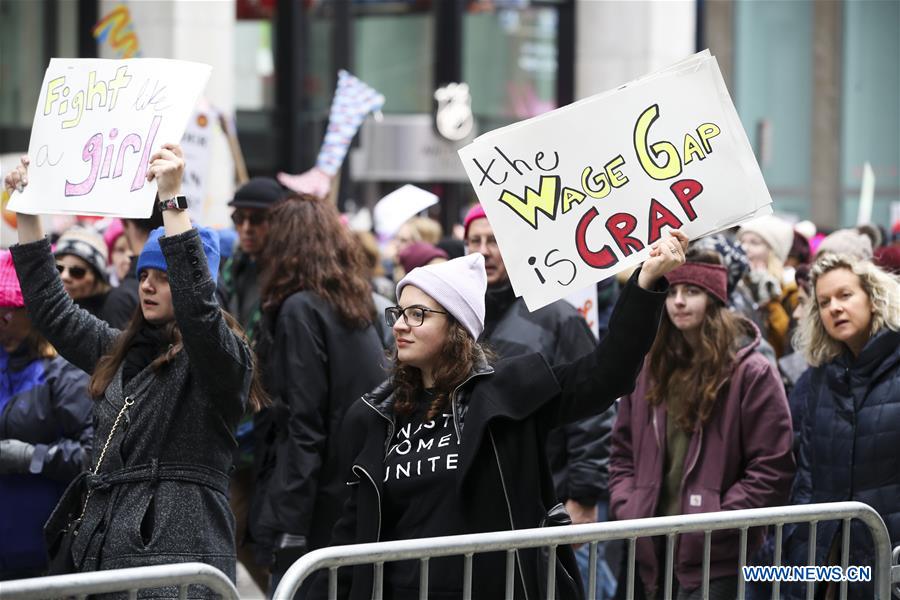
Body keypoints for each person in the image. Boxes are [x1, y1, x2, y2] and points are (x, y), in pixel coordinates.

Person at [313, 229, 688, 600]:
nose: (398, 325)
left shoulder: (509, 393)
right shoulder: (377, 416)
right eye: (398, 313)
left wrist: (645, 282)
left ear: (457, 327)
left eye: (417, 315)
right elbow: (352, 533)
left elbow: (607, 374)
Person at [5, 147, 265, 595]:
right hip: (105, 552)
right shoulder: (118, 349)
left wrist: (172, 201)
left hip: (178, 560)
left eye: (163, 277)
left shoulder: (223, 357)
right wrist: (28, 207)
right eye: (145, 274)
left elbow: (200, 314)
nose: (147, 284)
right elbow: (50, 308)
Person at [609, 257, 795, 600]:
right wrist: (628, 505)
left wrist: (718, 519)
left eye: (691, 291)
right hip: (651, 543)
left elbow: (772, 466)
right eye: (672, 292)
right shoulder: (650, 366)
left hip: (718, 555)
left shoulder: (752, 372)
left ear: (714, 299)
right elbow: (622, 451)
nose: (678, 301)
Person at [464, 204, 619, 598]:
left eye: (494, 241)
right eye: (475, 241)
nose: (484, 251)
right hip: (476, 503)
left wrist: (584, 497)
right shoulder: (457, 321)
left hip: (547, 502)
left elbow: (593, 415)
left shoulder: (557, 318)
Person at [249, 193, 387, 592]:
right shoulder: (355, 302)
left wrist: (289, 527)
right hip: (350, 494)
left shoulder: (300, 309)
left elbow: (303, 423)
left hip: (315, 510)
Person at [784, 254, 900, 600]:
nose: (834, 308)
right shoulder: (821, 377)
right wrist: (796, 546)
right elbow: (806, 476)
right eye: (823, 302)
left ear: (873, 297)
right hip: (829, 561)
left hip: (889, 559)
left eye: (845, 295)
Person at [0, 250, 93, 580]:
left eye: (11, 311)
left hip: (44, 552)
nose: (3, 321)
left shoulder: (63, 373)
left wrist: (31, 457)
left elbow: (92, 456)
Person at [220, 176, 289, 595]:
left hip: (274, 429)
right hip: (237, 427)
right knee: (237, 530)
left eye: (256, 219)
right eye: (239, 218)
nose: (245, 227)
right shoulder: (233, 270)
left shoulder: (289, 277)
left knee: (262, 536)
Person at [737, 215, 798, 357]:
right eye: (742, 241)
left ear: (773, 251)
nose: (745, 248)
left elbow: (788, 343)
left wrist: (771, 303)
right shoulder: (736, 286)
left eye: (755, 243)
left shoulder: (791, 289)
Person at [53, 226, 113, 319]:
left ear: (96, 278)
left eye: (77, 272)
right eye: (59, 268)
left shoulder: (111, 312)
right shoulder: (48, 308)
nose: (64, 276)